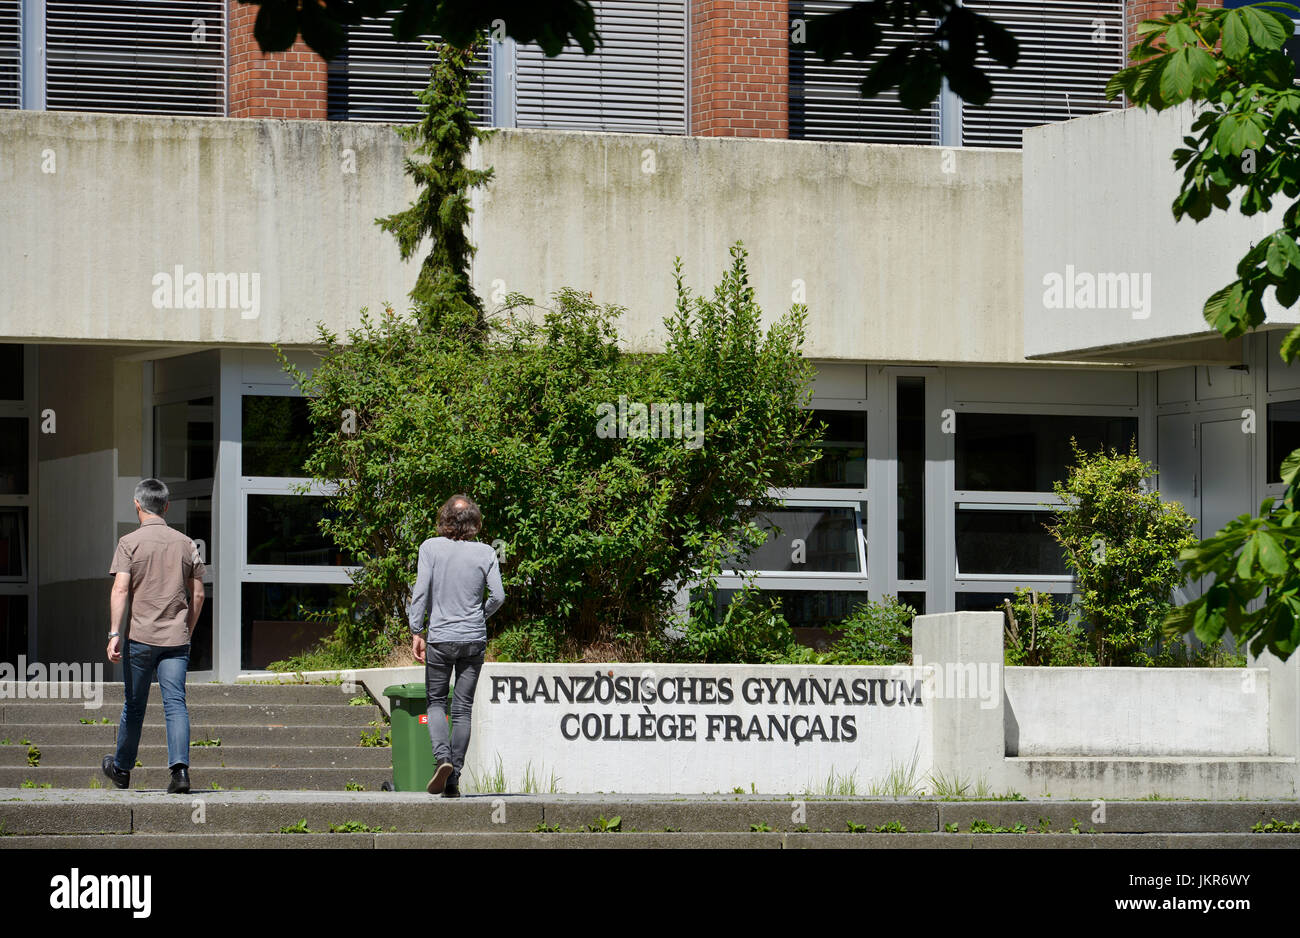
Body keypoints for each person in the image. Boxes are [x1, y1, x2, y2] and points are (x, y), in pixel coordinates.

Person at [102, 478, 206, 794]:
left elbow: (120, 588)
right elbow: (198, 594)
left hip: (141, 639)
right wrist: (185, 626)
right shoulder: (188, 543)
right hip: (176, 641)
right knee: (176, 704)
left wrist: (114, 633)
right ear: (166, 506)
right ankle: (180, 774)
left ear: (137, 504)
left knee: (134, 706)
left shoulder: (128, 543)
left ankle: (121, 770)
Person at [409, 494, 504, 797]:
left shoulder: (430, 547)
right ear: (474, 522)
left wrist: (416, 630)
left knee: (437, 702)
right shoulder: (487, 552)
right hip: (473, 639)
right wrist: (479, 615)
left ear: (445, 520)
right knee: (462, 709)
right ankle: (453, 781)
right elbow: (499, 596)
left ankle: (442, 759)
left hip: (440, 637)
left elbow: (421, 591)